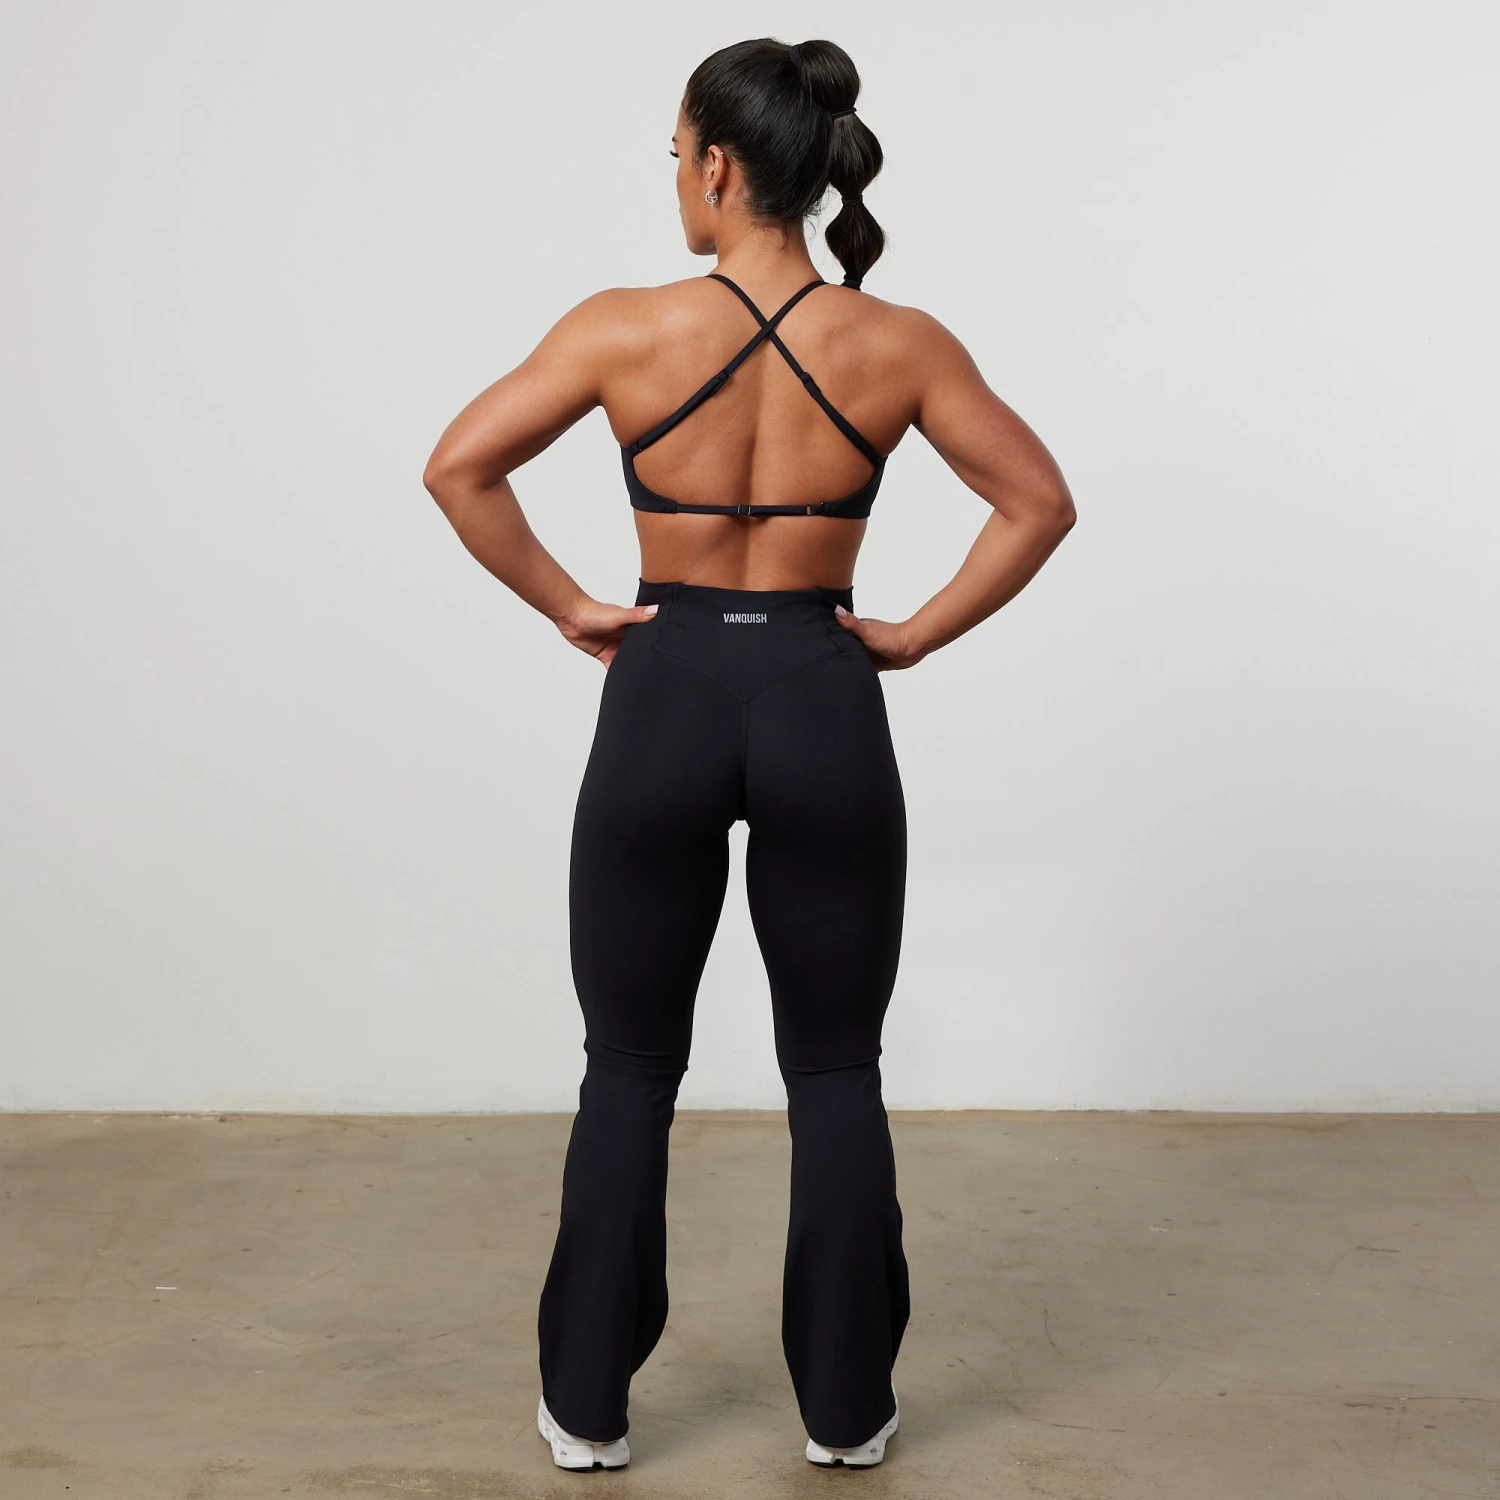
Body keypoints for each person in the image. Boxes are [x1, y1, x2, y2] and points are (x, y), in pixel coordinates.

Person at [422, 34, 1076, 1473]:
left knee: (627, 1066)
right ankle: (846, 1412)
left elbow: (456, 466)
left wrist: (573, 606)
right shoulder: (898, 343)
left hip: (661, 694)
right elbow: (1038, 501)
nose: (674, 179)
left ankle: (587, 1409)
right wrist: (909, 638)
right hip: (819, 696)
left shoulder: (621, 329)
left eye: (676, 156)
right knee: (835, 1068)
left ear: (720, 165)